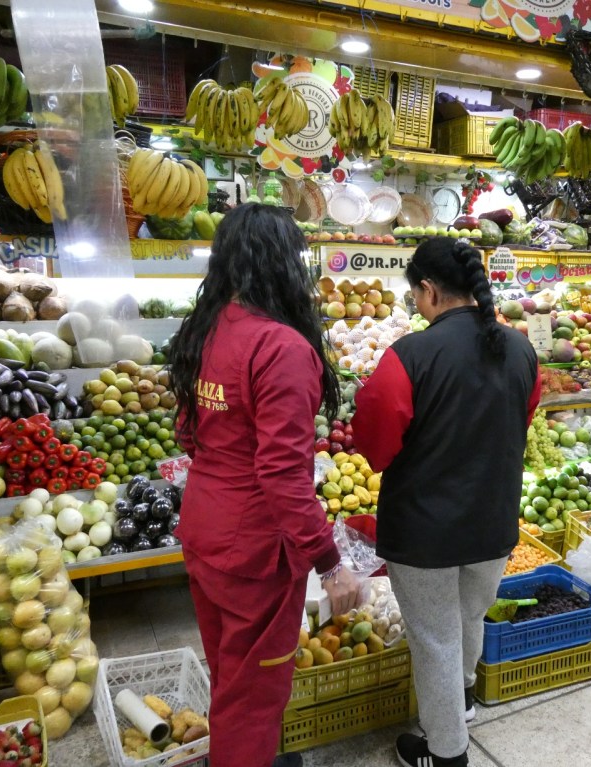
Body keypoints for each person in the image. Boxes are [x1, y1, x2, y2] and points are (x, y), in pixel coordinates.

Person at [169, 204, 360, 767]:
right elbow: (280, 474)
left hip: (205, 528)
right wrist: (330, 562)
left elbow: (188, 433)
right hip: (254, 550)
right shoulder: (282, 348)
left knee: (230, 672)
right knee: (255, 697)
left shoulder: (205, 329)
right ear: (285, 266)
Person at [352, 238, 540, 767]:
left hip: (424, 528)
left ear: (429, 291)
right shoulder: (520, 349)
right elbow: (520, 421)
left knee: (434, 636)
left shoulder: (409, 356)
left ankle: (446, 753)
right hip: (493, 519)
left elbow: (375, 447)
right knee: (469, 616)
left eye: (416, 296)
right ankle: (460, 705)